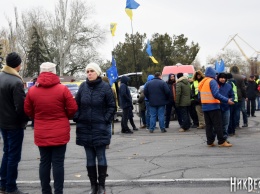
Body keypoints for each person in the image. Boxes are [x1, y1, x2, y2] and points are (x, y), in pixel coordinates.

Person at [24, 62, 78, 194]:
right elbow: (73, 108)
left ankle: (45, 191)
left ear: (41, 72)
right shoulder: (62, 89)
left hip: (41, 131)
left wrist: (36, 117)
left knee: (44, 162)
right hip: (60, 131)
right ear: (54, 72)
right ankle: (58, 191)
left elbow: (27, 110)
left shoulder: (32, 91)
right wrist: (64, 116)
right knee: (58, 163)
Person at [74, 63, 115, 194]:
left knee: (101, 156)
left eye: (91, 71)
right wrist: (77, 117)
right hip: (85, 127)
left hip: (100, 127)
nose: (89, 73)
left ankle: (102, 185)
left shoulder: (105, 87)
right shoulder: (82, 87)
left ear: (97, 72)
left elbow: (112, 106)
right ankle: (93, 186)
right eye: (87, 71)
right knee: (89, 158)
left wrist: (105, 119)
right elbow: (76, 105)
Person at [0, 52, 29, 194]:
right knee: (13, 156)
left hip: (3, 122)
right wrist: (24, 120)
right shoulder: (16, 81)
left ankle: (3, 183)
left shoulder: (1, 77)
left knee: (7, 153)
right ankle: (11, 187)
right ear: (17, 64)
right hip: (14, 124)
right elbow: (21, 107)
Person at [198, 67, 234, 147]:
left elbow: (199, 96)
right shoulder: (212, 81)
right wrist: (227, 100)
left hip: (205, 107)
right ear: (213, 74)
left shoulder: (203, 82)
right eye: (215, 73)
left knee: (209, 126)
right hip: (213, 106)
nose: (216, 75)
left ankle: (210, 142)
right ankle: (221, 141)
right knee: (218, 125)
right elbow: (216, 94)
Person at [217, 73, 234, 141]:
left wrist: (231, 100)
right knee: (218, 124)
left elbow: (232, 95)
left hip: (226, 107)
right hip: (217, 107)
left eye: (224, 78)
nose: (223, 79)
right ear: (218, 78)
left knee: (226, 123)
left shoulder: (228, 86)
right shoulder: (215, 85)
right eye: (221, 78)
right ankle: (218, 137)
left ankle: (224, 137)